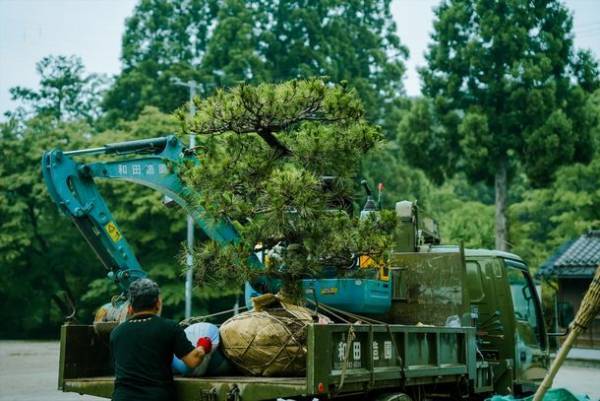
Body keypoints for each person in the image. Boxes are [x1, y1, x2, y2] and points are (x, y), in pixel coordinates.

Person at [110, 278, 212, 401]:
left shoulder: (117, 333)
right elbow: (193, 361)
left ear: (130, 308)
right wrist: (203, 345)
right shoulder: (169, 327)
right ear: (158, 303)